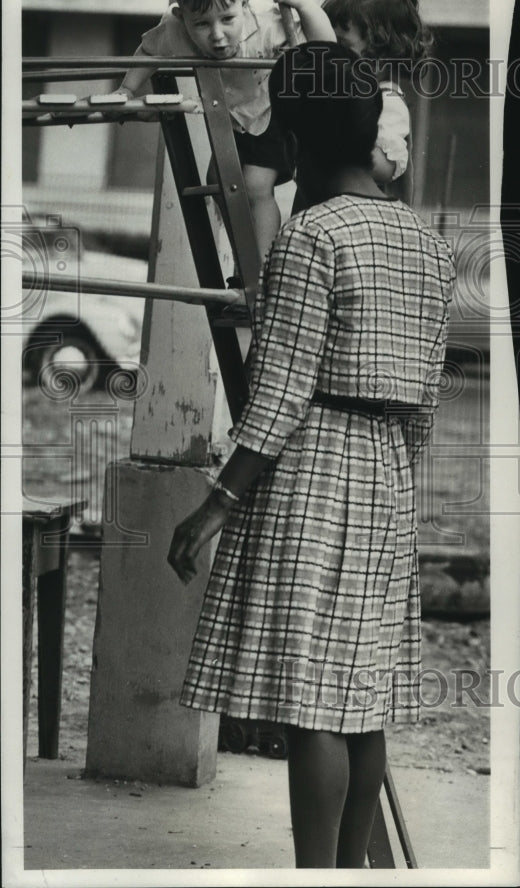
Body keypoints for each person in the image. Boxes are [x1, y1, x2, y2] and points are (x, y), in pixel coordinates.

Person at [167, 42, 455, 869]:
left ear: (290, 142)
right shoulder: (428, 245)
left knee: (310, 702)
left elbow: (282, 392)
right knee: (360, 699)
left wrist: (217, 503)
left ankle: (315, 876)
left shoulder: (309, 241)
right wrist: (391, 471)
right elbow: (429, 396)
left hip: (314, 469)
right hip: (387, 471)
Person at [108, 0, 335, 261]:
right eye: (201, 23)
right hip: (232, 118)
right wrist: (126, 89)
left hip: (273, 110)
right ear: (181, 15)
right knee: (218, 181)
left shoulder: (265, 23)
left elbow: (326, 45)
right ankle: (246, 260)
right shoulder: (175, 29)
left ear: (243, 4)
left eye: (228, 19)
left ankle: (264, 269)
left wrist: (302, 2)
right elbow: (148, 52)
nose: (217, 35)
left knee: (256, 186)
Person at [320, 0, 433, 203]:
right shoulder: (338, 94)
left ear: (379, 56)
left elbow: (383, 168)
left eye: (342, 45)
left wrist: (329, 136)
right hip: (325, 215)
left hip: (365, 224)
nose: (328, 53)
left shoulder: (387, 101)